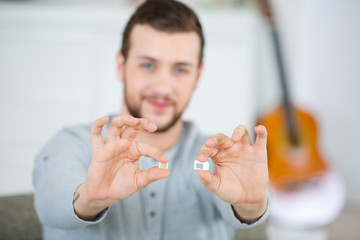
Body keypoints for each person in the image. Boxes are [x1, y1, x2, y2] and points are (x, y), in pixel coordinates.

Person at [33, 0, 270, 239]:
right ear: (121, 65)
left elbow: (241, 208)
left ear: (197, 77)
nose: (163, 87)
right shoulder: (73, 143)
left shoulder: (217, 157)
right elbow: (49, 203)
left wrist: (249, 207)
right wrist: (88, 199)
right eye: (148, 65)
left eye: (180, 70)